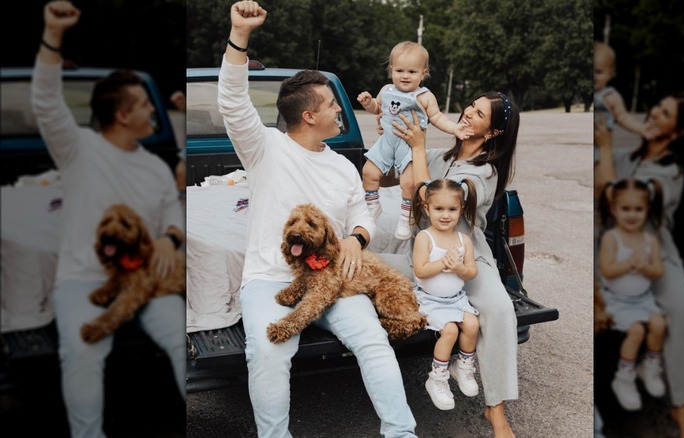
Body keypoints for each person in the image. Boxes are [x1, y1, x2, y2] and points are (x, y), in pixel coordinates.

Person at [217, 2, 416, 436]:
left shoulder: (344, 166)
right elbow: (232, 101)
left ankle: (401, 432)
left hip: (337, 281)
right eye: (331, 105)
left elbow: (362, 214)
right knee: (268, 351)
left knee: (372, 341)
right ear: (309, 115)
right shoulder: (265, 148)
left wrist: (356, 239)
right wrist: (239, 34)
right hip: (273, 280)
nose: (341, 111)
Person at [32, 2, 185, 437]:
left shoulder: (155, 165)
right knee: (81, 349)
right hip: (84, 280)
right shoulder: (77, 148)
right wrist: (52, 34)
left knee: (180, 336)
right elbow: (45, 101)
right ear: (122, 115)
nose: (154, 112)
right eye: (144, 106)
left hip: (149, 283)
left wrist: (171, 238)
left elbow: (172, 209)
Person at [392, 91, 521, 438]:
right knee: (363, 257)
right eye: (471, 106)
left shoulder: (485, 171)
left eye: (478, 114)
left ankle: (495, 411)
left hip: (465, 254)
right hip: (421, 251)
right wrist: (391, 126)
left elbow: (426, 196)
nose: (467, 113)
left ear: (492, 132)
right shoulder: (440, 156)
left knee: (499, 308)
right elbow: (401, 178)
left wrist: (418, 149)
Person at [595, 91, 684, 438]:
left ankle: (682, 409)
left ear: (680, 131)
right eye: (656, 107)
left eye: (665, 113)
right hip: (609, 246)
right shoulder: (630, 158)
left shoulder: (672, 169)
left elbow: (617, 197)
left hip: (652, 248)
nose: (654, 114)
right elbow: (602, 196)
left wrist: (607, 143)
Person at [357, 41, 473, 241]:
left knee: (409, 183)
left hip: (407, 146)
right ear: (391, 70)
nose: (405, 76)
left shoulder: (424, 96)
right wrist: (369, 103)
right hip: (386, 142)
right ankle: (372, 206)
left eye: (412, 71)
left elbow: (437, 118)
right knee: (368, 172)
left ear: (423, 73)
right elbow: (378, 108)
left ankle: (405, 217)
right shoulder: (386, 90)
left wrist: (454, 128)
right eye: (399, 70)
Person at [410, 178, 480, 411]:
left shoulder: (463, 240)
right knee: (449, 330)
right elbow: (420, 270)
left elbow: (471, 271)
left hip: (456, 299)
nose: (445, 215)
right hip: (430, 300)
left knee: (472, 325)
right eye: (439, 209)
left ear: (461, 210)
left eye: (452, 209)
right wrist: (442, 263)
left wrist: (459, 268)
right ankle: (437, 378)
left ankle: (462, 367)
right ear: (427, 208)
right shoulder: (425, 237)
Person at [598, 178, 667, 411]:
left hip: (643, 300)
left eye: (638, 209)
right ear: (615, 209)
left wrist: (645, 267)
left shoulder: (649, 240)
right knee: (636, 331)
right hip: (617, 301)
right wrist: (628, 263)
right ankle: (624, 377)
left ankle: (649, 365)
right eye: (626, 209)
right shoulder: (612, 238)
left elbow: (657, 271)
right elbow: (607, 270)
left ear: (647, 210)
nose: (632, 214)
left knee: (658, 325)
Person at [593, 41, 658, 162]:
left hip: (599, 152)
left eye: (598, 72)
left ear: (610, 73)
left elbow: (623, 117)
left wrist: (641, 128)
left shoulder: (611, 96)